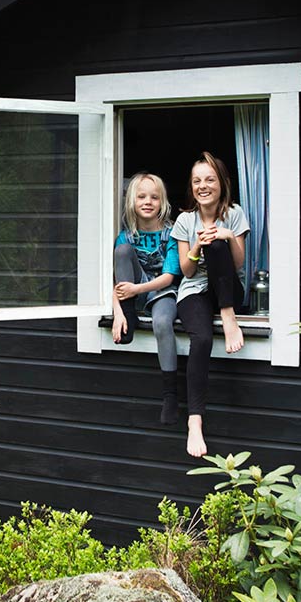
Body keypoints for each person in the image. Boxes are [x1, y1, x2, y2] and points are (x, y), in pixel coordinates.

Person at [171, 152, 249, 458]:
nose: (203, 186)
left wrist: (227, 236)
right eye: (197, 181)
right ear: (192, 187)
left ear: (222, 183)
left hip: (228, 289)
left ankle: (228, 317)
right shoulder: (184, 220)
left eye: (210, 179)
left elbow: (239, 264)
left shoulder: (235, 214)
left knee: (218, 244)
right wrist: (196, 246)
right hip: (194, 291)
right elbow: (187, 271)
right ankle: (195, 421)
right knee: (201, 339)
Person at [111, 172, 182, 425]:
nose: (148, 202)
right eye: (141, 197)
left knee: (162, 324)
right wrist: (118, 312)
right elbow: (114, 282)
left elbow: (169, 276)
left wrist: (135, 290)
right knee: (122, 251)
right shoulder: (126, 236)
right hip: (135, 291)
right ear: (132, 201)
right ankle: (130, 317)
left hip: (163, 291)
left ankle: (170, 395)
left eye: (154, 197)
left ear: (163, 202)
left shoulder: (172, 234)